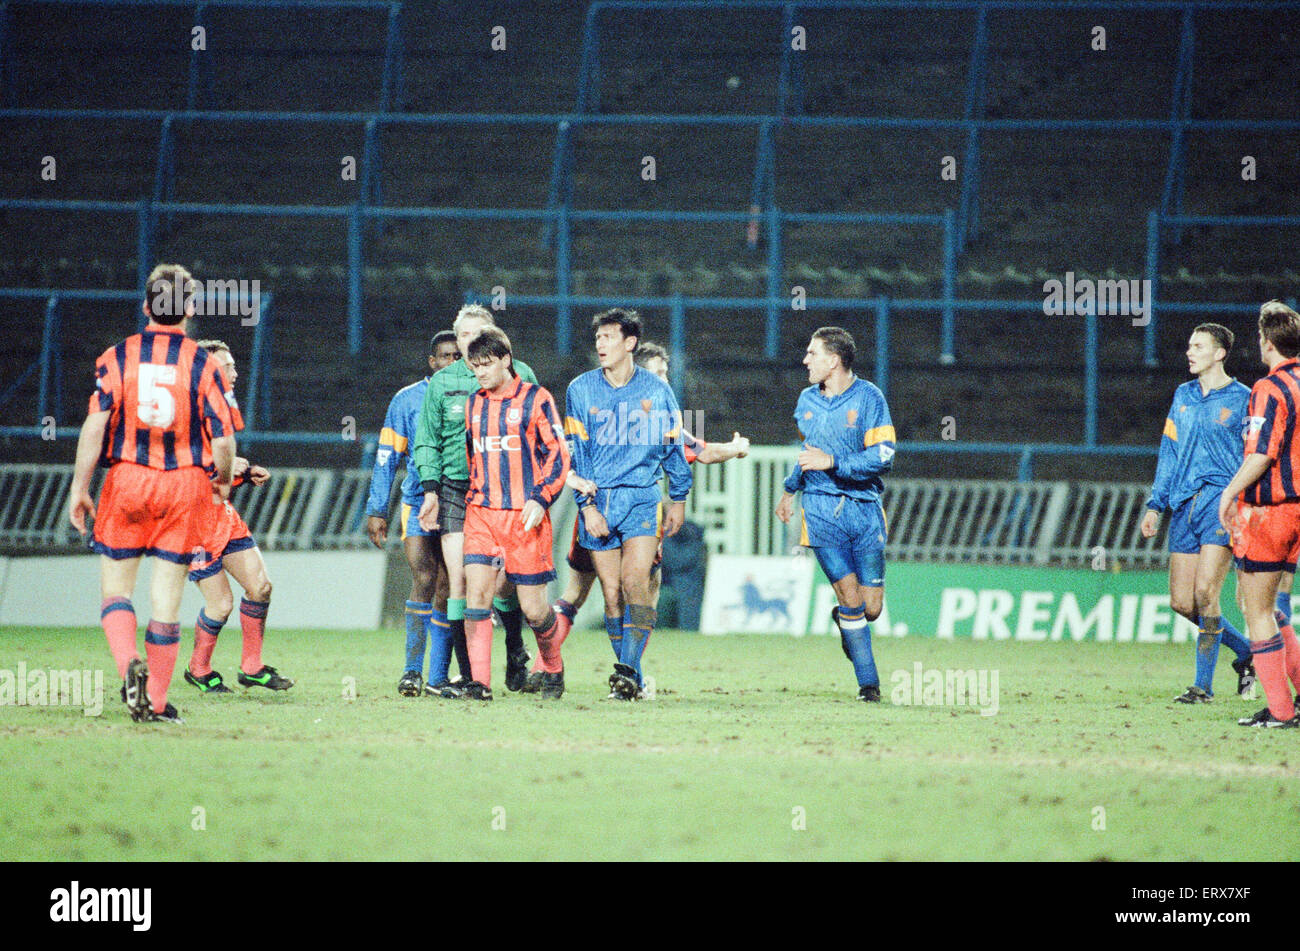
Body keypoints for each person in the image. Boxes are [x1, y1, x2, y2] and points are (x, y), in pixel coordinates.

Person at [525, 341, 748, 693]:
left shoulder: (615, 408)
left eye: (664, 374)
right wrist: (735, 449)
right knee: (638, 590)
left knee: (580, 593)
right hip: (607, 512)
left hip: (597, 512)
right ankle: (631, 676)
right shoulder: (641, 412)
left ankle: (550, 666)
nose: (663, 381)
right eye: (658, 373)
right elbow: (701, 451)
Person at [67, 264, 236, 724]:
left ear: (145, 307)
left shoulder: (117, 356)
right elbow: (222, 440)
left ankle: (128, 669)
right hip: (183, 483)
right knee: (167, 598)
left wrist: (80, 488)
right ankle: (156, 701)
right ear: (191, 309)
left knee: (116, 590)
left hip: (126, 479)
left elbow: (95, 425)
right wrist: (221, 478)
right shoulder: (202, 362)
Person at [564, 311, 693, 700]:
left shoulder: (657, 391)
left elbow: (675, 447)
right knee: (611, 592)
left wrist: (680, 497)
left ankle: (626, 670)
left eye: (608, 337)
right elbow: (576, 453)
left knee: (636, 581)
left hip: (642, 497)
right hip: (599, 500)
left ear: (630, 343)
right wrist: (586, 506)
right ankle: (629, 680)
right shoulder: (580, 389)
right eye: (598, 337)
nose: (600, 344)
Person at [413, 305, 538, 692]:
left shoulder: (521, 377)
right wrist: (430, 490)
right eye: (464, 336)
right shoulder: (442, 383)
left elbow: (536, 433)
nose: (470, 343)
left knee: (504, 584)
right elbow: (427, 440)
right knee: (460, 581)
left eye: (479, 334)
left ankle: (515, 647)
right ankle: (471, 676)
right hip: (455, 488)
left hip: (502, 491)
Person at [1139, 324, 1255, 703]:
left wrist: (1244, 502)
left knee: (1207, 593)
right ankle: (1246, 652)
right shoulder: (1183, 395)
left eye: (1198, 346)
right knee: (1182, 603)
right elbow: (1169, 452)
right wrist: (1156, 504)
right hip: (1184, 504)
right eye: (1189, 345)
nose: (1189, 352)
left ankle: (1201, 687)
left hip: (1221, 505)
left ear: (1219, 353)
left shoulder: (1243, 399)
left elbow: (1255, 455)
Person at [775, 327, 893, 702]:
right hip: (822, 511)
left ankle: (847, 622)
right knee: (849, 597)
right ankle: (869, 685)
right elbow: (809, 452)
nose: (805, 360)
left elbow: (884, 455)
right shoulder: (806, 400)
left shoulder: (870, 398)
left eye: (813, 353)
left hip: (865, 510)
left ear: (834, 360)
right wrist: (790, 488)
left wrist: (835, 461)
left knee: (870, 608)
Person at [456, 327, 572, 699]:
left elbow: (558, 453)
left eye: (486, 365)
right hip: (482, 513)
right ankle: (480, 683)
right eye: (475, 367)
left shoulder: (536, 399)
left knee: (535, 611)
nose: (481, 373)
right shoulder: (473, 404)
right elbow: (473, 455)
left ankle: (552, 665)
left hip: (525, 517)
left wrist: (541, 497)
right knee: (477, 595)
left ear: (506, 360)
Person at [183, 339, 294, 694]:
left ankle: (252, 667)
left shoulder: (221, 409)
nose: (235, 372)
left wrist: (242, 473)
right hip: (193, 523)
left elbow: (218, 467)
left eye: (233, 365)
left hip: (222, 516)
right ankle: (198, 669)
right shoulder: (183, 414)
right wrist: (234, 470)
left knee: (260, 587)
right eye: (225, 366)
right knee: (221, 605)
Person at [1219, 301, 1300, 727]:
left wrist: (1229, 494)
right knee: (1264, 604)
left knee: (1256, 610)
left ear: (1267, 342)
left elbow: (1262, 454)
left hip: (1271, 511)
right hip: (1297, 512)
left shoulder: (1269, 388)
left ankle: (1281, 712)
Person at [366, 330, 459, 697]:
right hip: (418, 501)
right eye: (445, 356)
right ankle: (410, 672)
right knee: (424, 577)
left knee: (448, 587)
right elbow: (387, 457)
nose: (451, 362)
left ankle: (437, 676)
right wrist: (377, 508)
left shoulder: (470, 395)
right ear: (432, 361)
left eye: (457, 356)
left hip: (457, 501)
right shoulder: (406, 401)